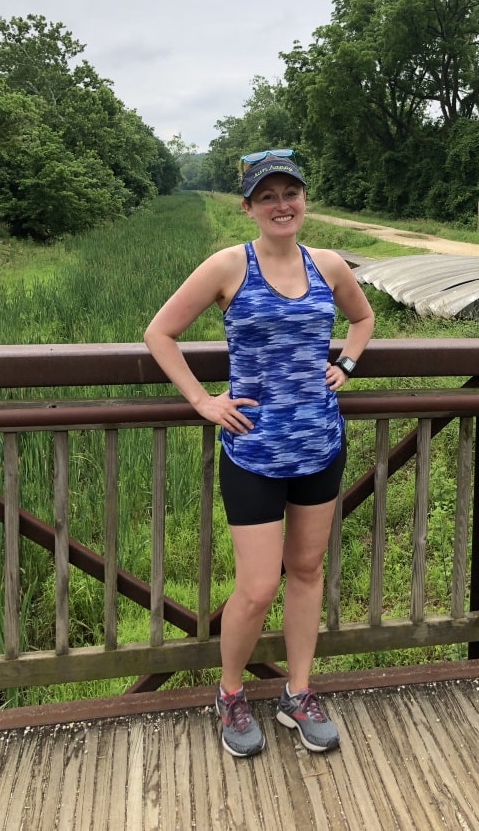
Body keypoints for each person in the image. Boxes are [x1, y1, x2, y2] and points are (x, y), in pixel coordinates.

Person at [144, 150, 374, 758]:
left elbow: (363, 318)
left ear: (304, 200)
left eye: (289, 193)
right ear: (247, 207)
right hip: (253, 449)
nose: (281, 205)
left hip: (319, 443)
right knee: (256, 587)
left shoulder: (327, 265)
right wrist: (202, 400)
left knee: (307, 570)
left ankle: (298, 693)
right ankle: (229, 694)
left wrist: (347, 364)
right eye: (267, 196)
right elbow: (159, 332)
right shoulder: (228, 265)